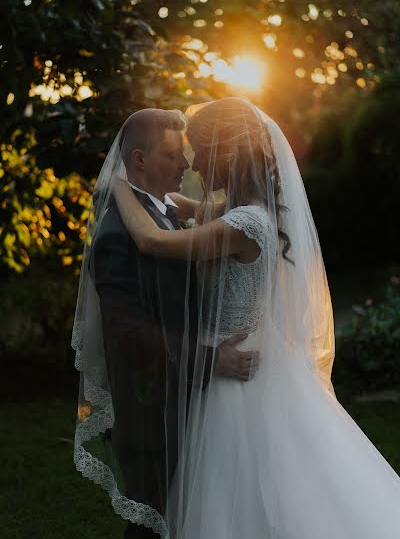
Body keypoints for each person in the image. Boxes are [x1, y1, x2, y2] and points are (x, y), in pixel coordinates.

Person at [113, 97, 400, 539]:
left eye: (199, 151)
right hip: (242, 354)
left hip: (234, 371)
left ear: (224, 154)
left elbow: (152, 241)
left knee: (236, 490)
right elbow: (181, 206)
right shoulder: (240, 214)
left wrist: (118, 187)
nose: (192, 163)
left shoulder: (242, 225)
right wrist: (151, 186)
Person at [71, 107, 259, 539]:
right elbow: (127, 333)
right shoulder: (120, 234)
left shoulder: (166, 211)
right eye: (173, 155)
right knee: (152, 521)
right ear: (140, 160)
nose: (188, 165)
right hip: (151, 406)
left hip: (183, 396)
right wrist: (210, 359)